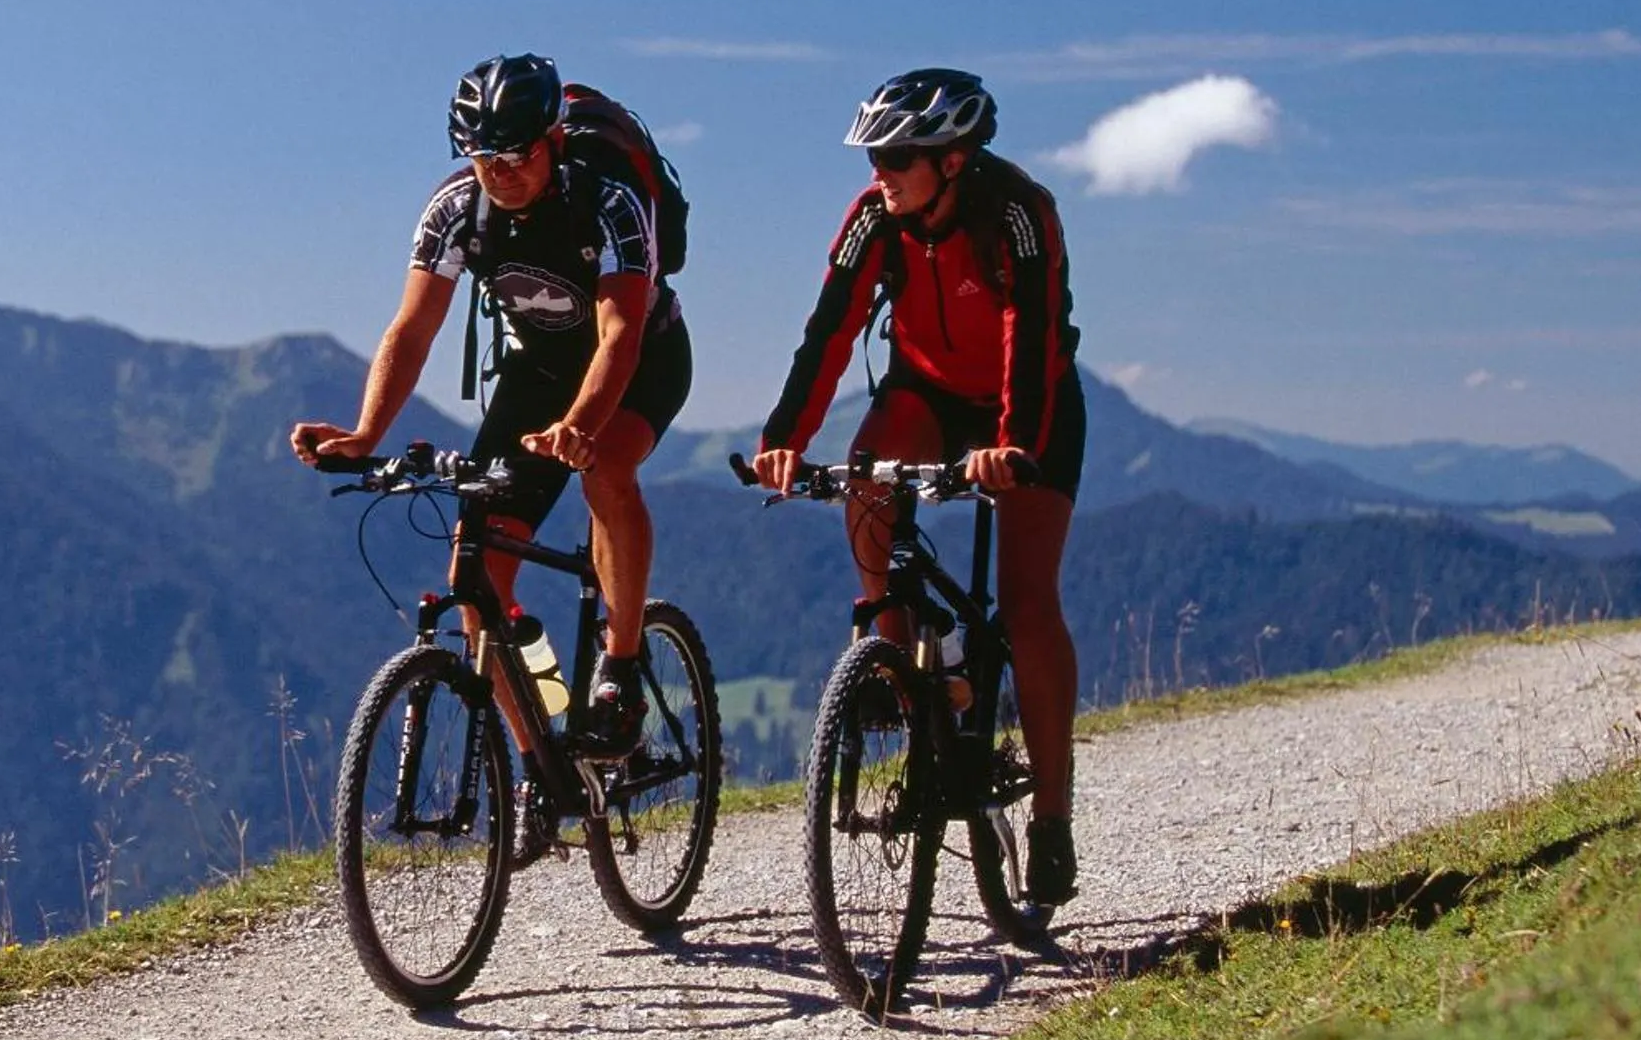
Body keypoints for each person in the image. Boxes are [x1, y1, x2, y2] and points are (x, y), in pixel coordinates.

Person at [291, 53, 693, 859]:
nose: (501, 172)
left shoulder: (607, 201)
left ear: (552, 141)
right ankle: (539, 761)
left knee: (606, 467)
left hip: (643, 358)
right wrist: (368, 432)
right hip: (539, 374)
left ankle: (620, 663)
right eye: (484, 157)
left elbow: (618, 332)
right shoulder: (454, 209)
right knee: (477, 583)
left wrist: (582, 424)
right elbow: (412, 329)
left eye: (516, 154)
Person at [751, 68, 1087, 905]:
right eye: (873, 155)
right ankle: (891, 657)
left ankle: (1051, 819)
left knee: (1028, 601)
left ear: (954, 156)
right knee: (866, 476)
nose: (880, 172)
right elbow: (829, 331)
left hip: (1030, 399)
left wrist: (1012, 446)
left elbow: (1033, 332)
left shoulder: (1015, 213)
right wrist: (783, 441)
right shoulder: (875, 219)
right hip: (926, 391)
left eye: (898, 155)